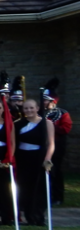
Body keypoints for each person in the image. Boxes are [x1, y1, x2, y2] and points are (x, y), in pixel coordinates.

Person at [14, 100, 55, 226]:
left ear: (37, 108)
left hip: (39, 159)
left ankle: (38, 216)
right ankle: (27, 215)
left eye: (31, 108)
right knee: (25, 188)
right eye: (26, 108)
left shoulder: (47, 123)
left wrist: (47, 159)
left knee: (39, 188)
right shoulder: (18, 124)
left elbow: (51, 144)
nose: (29, 110)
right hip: (22, 158)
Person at [41, 78, 71, 206]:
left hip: (57, 145)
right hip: (43, 145)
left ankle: (57, 196)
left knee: (56, 170)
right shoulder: (39, 113)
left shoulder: (62, 113)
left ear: (52, 101)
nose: (43, 102)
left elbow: (66, 128)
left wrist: (51, 126)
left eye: (46, 100)